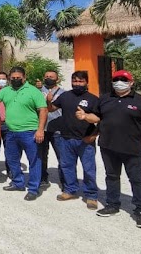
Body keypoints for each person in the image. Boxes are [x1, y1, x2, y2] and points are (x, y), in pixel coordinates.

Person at [76, 70, 141, 229]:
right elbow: (97, 117)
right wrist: (85, 116)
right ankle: (112, 204)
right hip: (108, 146)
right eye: (116, 79)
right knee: (111, 176)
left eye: (123, 79)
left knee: (136, 179)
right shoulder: (105, 98)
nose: (119, 82)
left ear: (131, 82)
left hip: (132, 149)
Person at [0, 67, 48, 201]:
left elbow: (43, 111)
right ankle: (18, 183)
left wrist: (40, 130)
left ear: (24, 77)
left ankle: (33, 188)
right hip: (11, 132)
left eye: (18, 78)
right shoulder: (6, 90)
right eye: (13, 78)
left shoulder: (33, 91)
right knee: (12, 160)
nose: (15, 80)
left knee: (34, 161)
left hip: (30, 132)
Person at [47, 71, 99, 210]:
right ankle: (70, 190)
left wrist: (92, 132)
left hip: (85, 140)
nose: (77, 84)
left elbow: (100, 119)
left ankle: (91, 195)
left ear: (86, 82)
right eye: (74, 81)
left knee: (89, 169)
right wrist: (48, 100)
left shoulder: (93, 99)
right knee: (67, 166)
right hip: (65, 138)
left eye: (80, 81)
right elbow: (51, 109)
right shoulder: (65, 96)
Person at [39, 70, 65, 189]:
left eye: (51, 76)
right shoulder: (38, 91)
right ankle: (43, 178)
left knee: (62, 157)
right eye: (47, 76)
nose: (49, 78)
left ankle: (65, 181)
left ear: (57, 79)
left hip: (58, 130)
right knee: (42, 155)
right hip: (42, 129)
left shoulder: (63, 93)